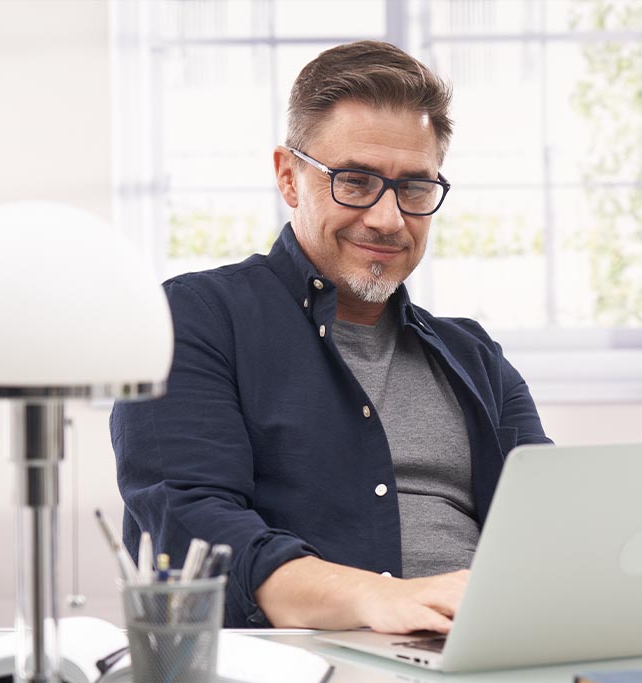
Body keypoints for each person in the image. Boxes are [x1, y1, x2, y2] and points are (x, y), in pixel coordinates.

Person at [110, 40, 551, 632]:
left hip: (486, 657)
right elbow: (189, 527)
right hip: (304, 669)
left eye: (415, 188)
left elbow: (551, 525)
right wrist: (375, 598)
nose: (387, 219)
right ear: (289, 177)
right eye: (356, 181)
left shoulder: (476, 358)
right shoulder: (191, 320)